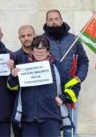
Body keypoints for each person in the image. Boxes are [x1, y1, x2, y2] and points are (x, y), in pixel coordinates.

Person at [8, 35, 80, 137]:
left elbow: (74, 85)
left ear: (48, 51)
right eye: (37, 48)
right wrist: (14, 76)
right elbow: (11, 88)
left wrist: (63, 98)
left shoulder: (58, 66)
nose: (40, 51)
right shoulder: (23, 67)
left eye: (43, 48)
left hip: (51, 118)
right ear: (32, 50)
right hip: (28, 119)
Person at [43, 9, 89, 137]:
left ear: (61, 20)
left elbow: (83, 61)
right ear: (46, 22)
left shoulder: (74, 39)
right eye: (50, 20)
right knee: (51, 128)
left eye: (56, 19)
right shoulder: (41, 40)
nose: (54, 22)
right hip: (49, 90)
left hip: (70, 89)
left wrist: (79, 77)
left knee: (70, 129)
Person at [11, 24, 36, 137]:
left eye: (29, 35)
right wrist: (13, 76)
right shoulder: (13, 57)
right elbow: (10, 86)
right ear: (19, 38)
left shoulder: (46, 57)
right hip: (22, 110)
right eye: (23, 36)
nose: (26, 38)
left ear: (34, 35)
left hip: (43, 110)